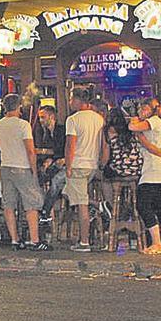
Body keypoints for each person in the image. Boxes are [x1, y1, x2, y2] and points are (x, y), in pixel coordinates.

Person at [0, 93, 48, 250]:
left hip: (5, 167)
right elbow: (30, 150)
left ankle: (15, 239)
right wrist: (34, 171)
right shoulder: (23, 125)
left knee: (9, 204)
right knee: (31, 204)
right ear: (18, 107)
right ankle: (34, 240)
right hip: (22, 167)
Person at [131, 99, 161, 254]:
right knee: (158, 206)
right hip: (155, 167)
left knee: (143, 205)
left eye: (143, 109)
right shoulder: (156, 121)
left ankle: (156, 242)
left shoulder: (154, 121)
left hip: (152, 168)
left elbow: (133, 127)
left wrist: (134, 122)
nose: (140, 112)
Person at [63, 87, 105, 252]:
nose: (70, 102)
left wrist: (68, 166)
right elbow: (103, 144)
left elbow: (70, 145)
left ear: (78, 100)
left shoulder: (73, 120)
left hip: (78, 164)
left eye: (72, 99)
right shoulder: (99, 119)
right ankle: (96, 206)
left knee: (80, 204)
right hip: (92, 164)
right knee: (75, 196)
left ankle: (84, 241)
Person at [35, 105, 67, 220]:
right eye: (40, 118)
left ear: (52, 116)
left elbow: (63, 149)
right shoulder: (46, 134)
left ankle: (44, 211)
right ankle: (40, 207)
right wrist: (48, 159)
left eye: (43, 117)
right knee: (37, 176)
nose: (40, 120)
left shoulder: (62, 130)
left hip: (65, 164)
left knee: (53, 181)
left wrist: (52, 159)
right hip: (55, 165)